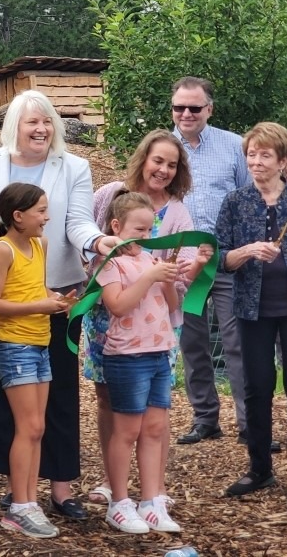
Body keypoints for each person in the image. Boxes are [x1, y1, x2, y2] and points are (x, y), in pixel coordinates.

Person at [0, 90, 119, 520]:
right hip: (4, 303)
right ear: (14, 126)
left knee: (61, 396)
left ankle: (62, 488)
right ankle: (18, 491)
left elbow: (77, 222)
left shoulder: (74, 167)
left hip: (58, 298)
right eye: (32, 122)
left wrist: (97, 241)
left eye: (47, 121)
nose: (41, 129)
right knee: (6, 397)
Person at [86, 129, 195, 506]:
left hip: (157, 322)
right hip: (107, 317)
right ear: (143, 159)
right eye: (157, 160)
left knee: (155, 408)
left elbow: (183, 274)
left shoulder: (178, 212)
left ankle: (155, 488)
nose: (163, 169)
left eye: (171, 164)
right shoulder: (110, 194)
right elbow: (88, 241)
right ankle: (110, 480)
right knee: (108, 400)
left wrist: (187, 269)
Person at [95, 192, 210, 535]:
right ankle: (119, 501)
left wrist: (173, 278)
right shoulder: (110, 264)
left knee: (155, 429)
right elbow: (117, 305)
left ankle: (151, 501)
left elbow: (173, 303)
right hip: (127, 357)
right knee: (127, 430)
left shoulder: (150, 260)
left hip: (160, 352)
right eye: (139, 230)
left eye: (149, 231)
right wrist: (149, 277)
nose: (146, 238)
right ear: (116, 227)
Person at [217, 122, 287, 514]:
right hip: (252, 309)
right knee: (256, 389)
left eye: (264, 155)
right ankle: (260, 468)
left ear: (283, 161)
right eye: (251, 154)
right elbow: (222, 257)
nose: (256, 162)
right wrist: (245, 252)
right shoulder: (236, 202)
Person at [0, 183, 72, 539]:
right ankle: (19, 505)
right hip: (14, 346)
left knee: (38, 428)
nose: (46, 217)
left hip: (40, 342)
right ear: (17, 216)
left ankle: (29, 501)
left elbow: (34, 290)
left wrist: (56, 299)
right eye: (40, 211)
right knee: (29, 427)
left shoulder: (40, 244)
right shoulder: (3, 250)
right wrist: (41, 306)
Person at [169, 76, 250, 446]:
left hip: (228, 258)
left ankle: (251, 421)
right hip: (185, 263)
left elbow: (250, 200)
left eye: (194, 107)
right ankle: (205, 418)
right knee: (193, 342)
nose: (186, 113)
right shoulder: (163, 148)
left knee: (238, 341)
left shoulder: (234, 146)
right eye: (178, 107)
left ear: (209, 109)